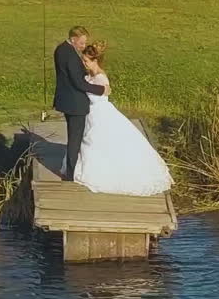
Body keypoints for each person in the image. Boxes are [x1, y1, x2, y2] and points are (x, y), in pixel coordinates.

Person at [73, 44, 173, 196]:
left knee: (101, 142)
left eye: (86, 61)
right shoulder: (89, 75)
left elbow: (100, 93)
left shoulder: (101, 78)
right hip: (91, 115)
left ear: (95, 61)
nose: (83, 63)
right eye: (83, 60)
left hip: (100, 114)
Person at [53, 27, 108, 182]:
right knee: (75, 140)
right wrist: (101, 89)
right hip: (75, 104)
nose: (84, 46)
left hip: (65, 100)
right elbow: (79, 83)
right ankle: (70, 175)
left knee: (74, 137)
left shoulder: (60, 49)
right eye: (82, 43)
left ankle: (71, 169)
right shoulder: (71, 56)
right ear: (73, 39)